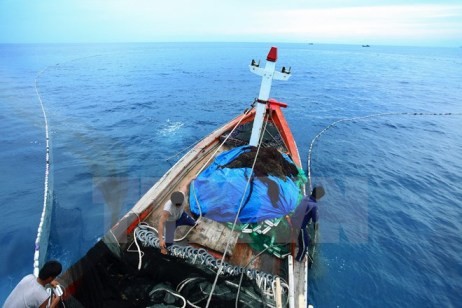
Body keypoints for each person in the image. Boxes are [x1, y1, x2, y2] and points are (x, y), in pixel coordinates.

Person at [291, 186, 325, 262]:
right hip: (299, 226)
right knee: (304, 246)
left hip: (293, 219)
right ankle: (298, 260)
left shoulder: (305, 197)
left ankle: (305, 239)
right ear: (319, 197)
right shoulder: (314, 206)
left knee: (305, 237)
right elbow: (315, 219)